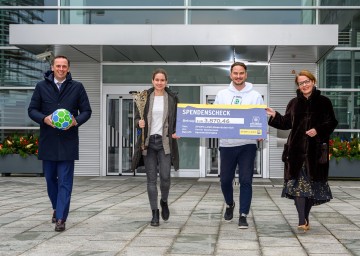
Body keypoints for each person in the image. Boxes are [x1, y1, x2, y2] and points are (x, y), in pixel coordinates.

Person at [266, 70, 337, 232]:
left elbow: (332, 122)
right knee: (298, 185)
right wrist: (274, 115)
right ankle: (301, 219)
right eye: (300, 83)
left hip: (316, 151)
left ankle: (305, 217)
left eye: (306, 82)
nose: (304, 85)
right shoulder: (294, 103)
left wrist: (318, 130)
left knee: (311, 186)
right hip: (296, 152)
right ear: (297, 86)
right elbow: (285, 123)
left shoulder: (324, 102)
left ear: (313, 81)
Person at [28, 55, 92, 232]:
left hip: (67, 142)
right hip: (48, 141)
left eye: (64, 66)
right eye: (58, 66)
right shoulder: (41, 87)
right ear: (52, 67)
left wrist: (75, 121)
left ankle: (61, 218)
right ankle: (57, 207)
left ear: (68, 69)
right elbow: (32, 110)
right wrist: (44, 119)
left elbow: (87, 111)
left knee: (65, 181)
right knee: (50, 180)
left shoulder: (77, 87)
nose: (61, 69)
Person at [214, 62, 264, 229]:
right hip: (227, 144)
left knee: (245, 180)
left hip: (247, 145)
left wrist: (260, 132)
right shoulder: (222, 95)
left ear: (246, 75)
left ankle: (243, 215)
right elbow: (215, 117)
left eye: (241, 73)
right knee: (225, 181)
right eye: (235, 73)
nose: (238, 76)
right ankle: (230, 204)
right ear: (230, 74)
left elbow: (260, 117)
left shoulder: (255, 95)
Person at [131, 68, 180, 227]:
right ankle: (154, 213)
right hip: (148, 143)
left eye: (162, 80)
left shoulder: (172, 98)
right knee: (151, 179)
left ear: (166, 82)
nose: (159, 83)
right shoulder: (144, 97)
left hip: (165, 142)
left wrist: (177, 131)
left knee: (165, 177)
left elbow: (178, 119)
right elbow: (136, 117)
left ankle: (164, 200)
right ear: (152, 81)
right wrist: (139, 122)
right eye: (157, 80)